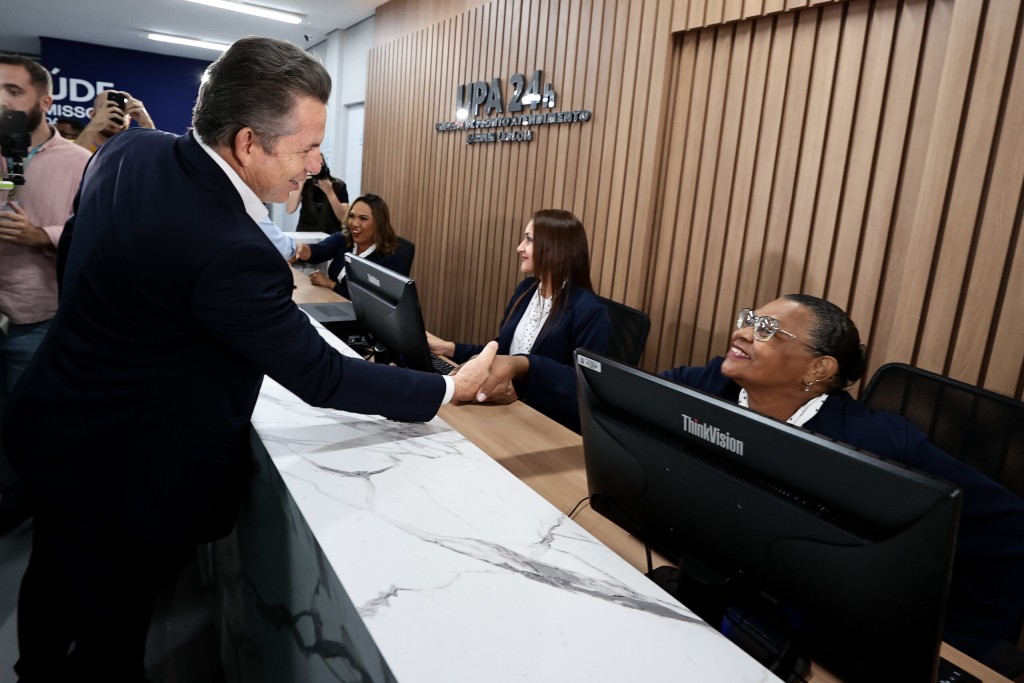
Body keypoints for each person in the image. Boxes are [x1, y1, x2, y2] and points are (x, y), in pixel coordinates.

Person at [1, 36, 498, 681]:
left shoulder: (129, 149)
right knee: (112, 635)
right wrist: (450, 389)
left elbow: (77, 251)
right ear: (247, 144)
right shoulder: (230, 247)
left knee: (50, 580)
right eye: (308, 147)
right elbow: (321, 375)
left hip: (51, 419)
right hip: (122, 471)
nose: (317, 166)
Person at [658, 294, 1024, 666]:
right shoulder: (708, 383)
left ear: (818, 369)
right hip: (712, 576)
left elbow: (1010, 528)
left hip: (812, 633)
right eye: (749, 319)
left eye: (766, 329)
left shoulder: (879, 443)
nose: (743, 333)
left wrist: (955, 643)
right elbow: (636, 412)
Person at [0, 55, 91, 527]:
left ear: (45, 102)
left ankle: (17, 502)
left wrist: (42, 235)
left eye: (13, 91)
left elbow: (94, 234)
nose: (1, 101)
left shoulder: (81, 163)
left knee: (27, 421)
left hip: (39, 317)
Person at [426, 209, 612, 432]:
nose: (519, 247)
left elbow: (581, 388)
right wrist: (448, 348)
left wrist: (524, 366)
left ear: (555, 247)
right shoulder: (526, 290)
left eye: (529, 240)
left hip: (544, 425)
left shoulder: (590, 312)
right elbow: (502, 352)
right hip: (505, 412)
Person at [296, 193, 411, 298]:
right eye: (351, 216)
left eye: (363, 218)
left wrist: (331, 285)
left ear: (378, 223)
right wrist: (300, 249)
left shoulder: (392, 258)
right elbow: (317, 252)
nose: (354, 223)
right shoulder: (344, 239)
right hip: (334, 302)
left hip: (359, 313)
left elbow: (372, 301)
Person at [74, 88, 155, 152]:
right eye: (108, 107)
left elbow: (156, 161)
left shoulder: (134, 150)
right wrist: (93, 126)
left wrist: (147, 124)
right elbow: (72, 162)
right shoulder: (70, 145)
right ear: (93, 114)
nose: (114, 112)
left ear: (129, 119)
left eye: (121, 109)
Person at [286, 152, 349, 233]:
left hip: (330, 235)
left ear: (325, 166)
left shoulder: (338, 185)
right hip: (305, 233)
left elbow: (344, 219)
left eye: (319, 164)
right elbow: (290, 209)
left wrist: (330, 193)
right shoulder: (304, 184)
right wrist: (301, 182)